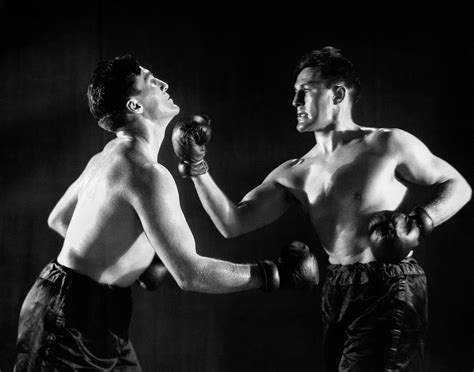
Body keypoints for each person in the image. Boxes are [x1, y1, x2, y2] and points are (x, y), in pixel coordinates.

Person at [171, 46, 472, 371]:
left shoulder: (387, 144)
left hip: (391, 285)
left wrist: (423, 220)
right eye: (294, 93)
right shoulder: (295, 172)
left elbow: (459, 186)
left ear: (338, 93)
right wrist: (197, 167)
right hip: (337, 288)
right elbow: (232, 223)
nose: (295, 102)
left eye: (305, 92)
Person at [14, 54, 319, 371]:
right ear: (135, 106)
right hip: (67, 319)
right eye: (150, 81)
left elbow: (59, 218)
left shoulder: (109, 154)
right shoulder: (146, 173)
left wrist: (138, 261)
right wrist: (272, 274)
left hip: (94, 312)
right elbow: (190, 274)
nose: (164, 84)